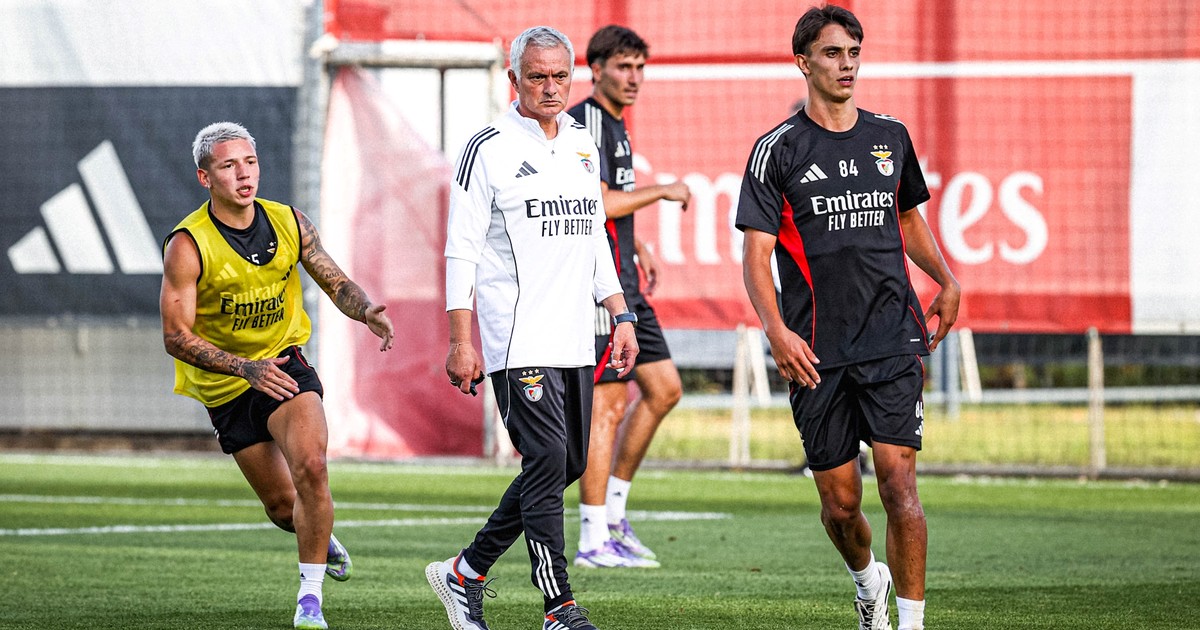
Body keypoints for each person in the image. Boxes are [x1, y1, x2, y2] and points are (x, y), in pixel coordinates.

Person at [735, 6, 961, 630]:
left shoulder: (890, 136)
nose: (847, 65)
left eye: (854, 53)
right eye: (833, 53)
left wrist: (946, 279)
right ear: (803, 62)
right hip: (815, 351)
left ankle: (910, 624)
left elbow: (908, 219)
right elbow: (755, 256)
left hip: (891, 337)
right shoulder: (776, 150)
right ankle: (867, 582)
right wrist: (776, 331)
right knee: (840, 505)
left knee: (899, 482)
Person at [425, 26, 638, 630]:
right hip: (517, 338)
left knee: (566, 465)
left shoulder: (580, 143)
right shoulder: (487, 147)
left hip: (575, 335)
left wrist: (620, 313)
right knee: (545, 458)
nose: (550, 87)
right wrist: (461, 340)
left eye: (560, 76)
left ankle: (465, 571)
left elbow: (593, 235)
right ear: (513, 80)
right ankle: (559, 607)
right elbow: (460, 250)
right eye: (537, 77)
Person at [160, 122, 395, 630]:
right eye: (228, 165)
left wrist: (364, 310)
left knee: (312, 466)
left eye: (250, 162)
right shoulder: (188, 244)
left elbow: (335, 280)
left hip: (285, 365)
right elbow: (176, 336)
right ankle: (318, 534)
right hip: (228, 384)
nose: (244, 174)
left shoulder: (289, 221)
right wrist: (245, 368)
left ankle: (310, 600)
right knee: (284, 508)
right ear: (205, 177)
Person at [566, 25, 691, 570]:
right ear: (596, 70)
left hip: (625, 279)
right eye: (623, 66)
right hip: (601, 288)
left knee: (664, 389)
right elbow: (591, 201)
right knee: (609, 406)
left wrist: (637, 243)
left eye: (640, 67)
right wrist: (661, 191)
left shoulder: (615, 123)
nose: (634, 77)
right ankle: (592, 538)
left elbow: (603, 204)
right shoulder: (587, 121)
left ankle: (614, 516)